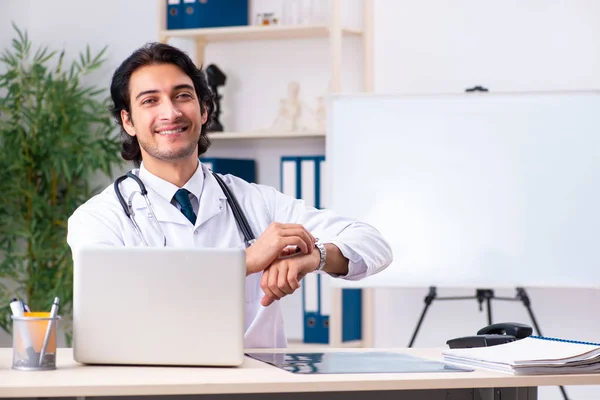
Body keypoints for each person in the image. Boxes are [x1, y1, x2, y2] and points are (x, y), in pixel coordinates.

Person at [66, 42, 393, 348]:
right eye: (150, 100)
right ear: (128, 121)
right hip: (154, 387)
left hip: (257, 387)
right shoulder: (99, 218)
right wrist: (246, 262)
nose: (171, 112)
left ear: (204, 110)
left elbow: (373, 244)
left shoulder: (257, 202)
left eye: (182, 96)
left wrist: (315, 256)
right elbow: (113, 305)